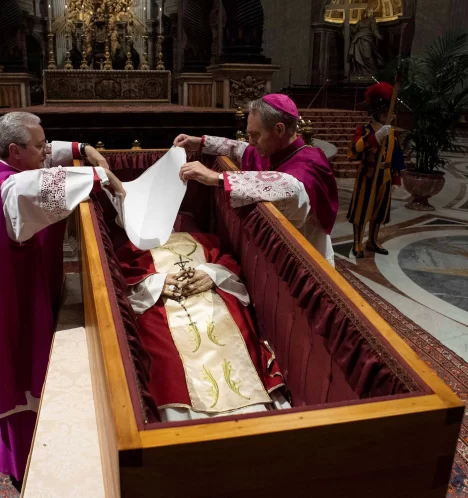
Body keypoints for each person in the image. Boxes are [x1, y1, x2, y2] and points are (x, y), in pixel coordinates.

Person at [0, 111, 124, 493]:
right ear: (15, 150)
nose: (47, 152)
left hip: (16, 287)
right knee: (19, 370)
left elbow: (49, 158)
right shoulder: (12, 189)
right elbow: (56, 187)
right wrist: (103, 177)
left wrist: (84, 148)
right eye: (39, 147)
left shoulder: (8, 171)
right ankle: (25, 464)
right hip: (15, 302)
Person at [118, 224, 289, 422]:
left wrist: (211, 274)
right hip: (163, 306)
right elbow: (125, 280)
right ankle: (183, 421)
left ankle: (253, 414)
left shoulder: (204, 239)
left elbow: (228, 263)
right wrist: (158, 283)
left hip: (213, 302)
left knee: (230, 338)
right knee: (166, 354)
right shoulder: (131, 248)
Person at [174, 94, 338, 266]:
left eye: (255, 135)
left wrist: (217, 178)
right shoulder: (275, 150)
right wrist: (200, 143)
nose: (251, 142)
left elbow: (291, 188)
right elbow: (240, 149)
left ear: (279, 130)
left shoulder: (311, 162)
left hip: (307, 262)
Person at [346, 82, 405, 258]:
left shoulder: (392, 132)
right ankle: (357, 242)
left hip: (385, 176)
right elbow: (355, 150)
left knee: (380, 211)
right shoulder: (363, 130)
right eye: (384, 112)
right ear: (375, 113)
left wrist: (396, 178)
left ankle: (372, 240)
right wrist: (376, 137)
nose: (388, 115)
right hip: (368, 175)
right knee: (361, 210)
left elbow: (396, 156)